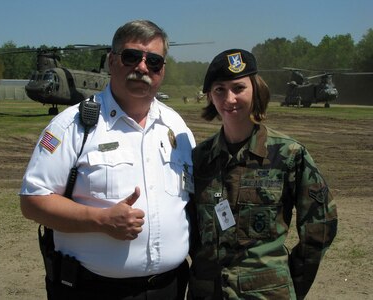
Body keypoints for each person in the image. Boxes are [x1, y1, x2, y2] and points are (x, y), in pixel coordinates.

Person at [20, 20, 195, 300]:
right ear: (112, 62)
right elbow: (33, 202)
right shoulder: (73, 125)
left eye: (154, 61)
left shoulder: (177, 127)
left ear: (162, 69)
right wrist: (100, 220)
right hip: (94, 290)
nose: (142, 67)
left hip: (170, 288)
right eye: (131, 57)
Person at [187, 49, 338, 300]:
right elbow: (190, 226)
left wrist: (287, 281)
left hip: (266, 293)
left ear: (256, 90)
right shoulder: (200, 158)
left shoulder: (288, 154)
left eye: (238, 88)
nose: (229, 98)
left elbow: (320, 226)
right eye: (219, 90)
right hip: (205, 292)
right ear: (210, 97)